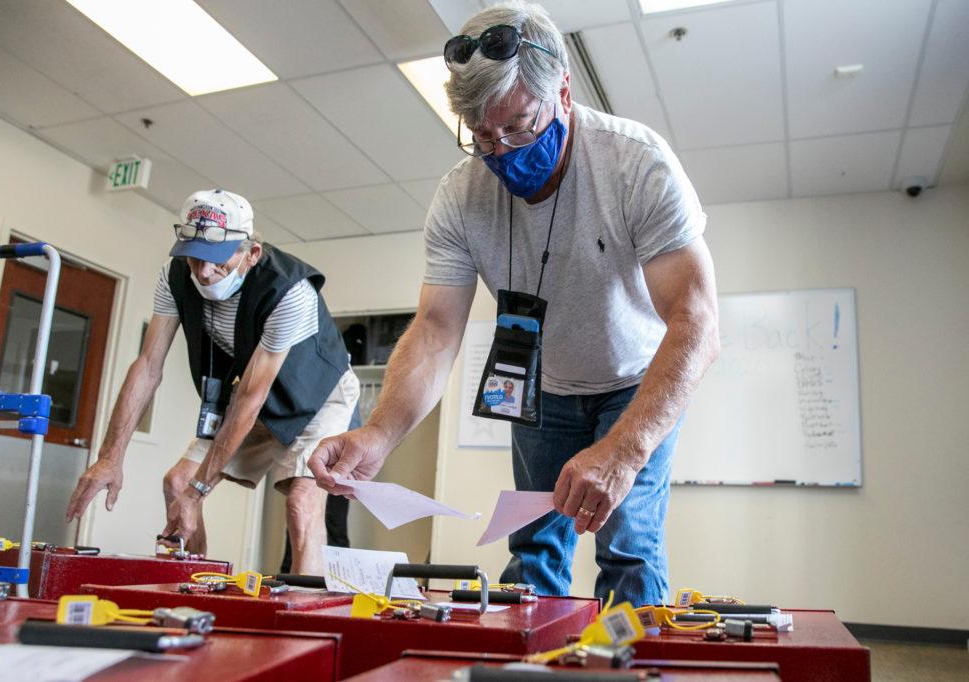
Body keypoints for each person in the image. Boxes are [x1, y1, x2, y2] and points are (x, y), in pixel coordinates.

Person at [310, 1, 719, 606]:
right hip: (543, 388)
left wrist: (625, 450)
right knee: (533, 547)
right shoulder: (460, 195)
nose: (501, 152)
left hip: (635, 381)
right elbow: (434, 330)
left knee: (628, 543)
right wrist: (376, 434)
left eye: (521, 126)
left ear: (564, 91)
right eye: (482, 136)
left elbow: (696, 322)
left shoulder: (635, 164)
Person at [66, 189, 358, 574]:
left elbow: (252, 394)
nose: (203, 272)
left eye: (218, 259)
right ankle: (201, 585)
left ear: (251, 253)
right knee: (177, 482)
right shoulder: (174, 278)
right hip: (259, 396)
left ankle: (302, 621)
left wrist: (200, 489)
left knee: (301, 502)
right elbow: (148, 365)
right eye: (195, 256)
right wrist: (109, 457)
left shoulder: (289, 290)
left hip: (321, 398)